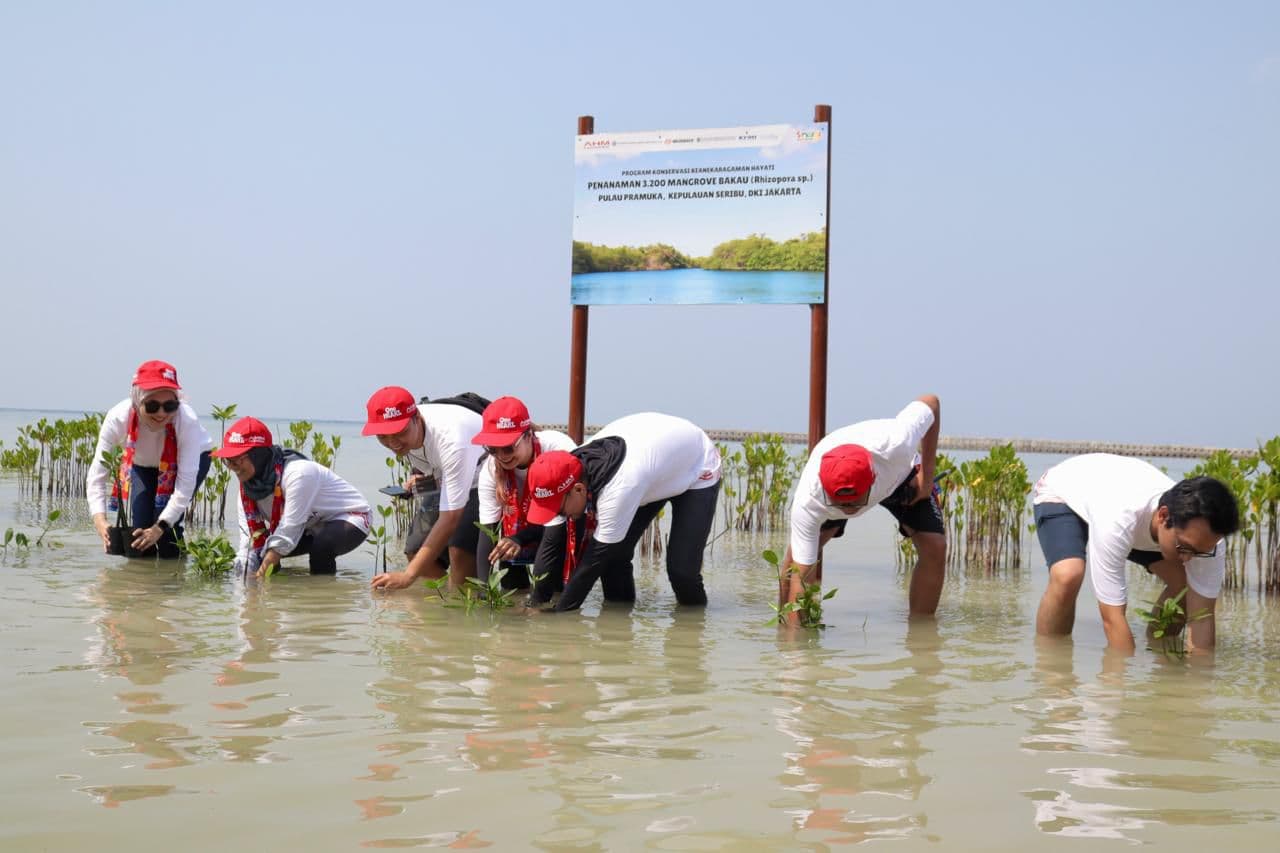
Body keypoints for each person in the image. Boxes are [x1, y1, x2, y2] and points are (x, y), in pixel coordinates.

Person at [1032, 454, 1240, 653]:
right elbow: (1112, 619)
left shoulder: (1210, 541)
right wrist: (1124, 677)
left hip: (1129, 521)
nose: (1187, 558)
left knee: (1184, 585)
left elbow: (1202, 618)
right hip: (1064, 494)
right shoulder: (1118, 519)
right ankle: (1051, 666)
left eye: (1198, 552)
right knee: (1068, 574)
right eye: (1183, 547)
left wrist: (1196, 682)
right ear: (1163, 515)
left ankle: (1160, 649)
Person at [523, 412, 721, 611]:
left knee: (682, 571)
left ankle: (693, 629)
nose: (558, 515)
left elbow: (592, 564)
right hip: (652, 468)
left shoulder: (619, 488)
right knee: (614, 557)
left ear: (579, 490)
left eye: (558, 509)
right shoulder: (573, 464)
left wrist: (558, 615)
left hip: (697, 466)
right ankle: (618, 622)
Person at [780, 394, 944, 621]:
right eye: (842, 505)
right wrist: (795, 653)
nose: (850, 510)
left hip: (899, 476)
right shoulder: (809, 500)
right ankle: (783, 624)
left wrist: (926, 480)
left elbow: (931, 403)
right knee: (797, 565)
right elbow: (802, 577)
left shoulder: (898, 442)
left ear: (873, 480)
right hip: (834, 480)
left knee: (935, 547)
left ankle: (921, 631)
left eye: (855, 503)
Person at [214, 416, 371, 578]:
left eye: (237, 461)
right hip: (308, 525)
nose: (232, 468)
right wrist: (244, 582)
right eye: (228, 461)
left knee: (320, 546)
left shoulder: (298, 473)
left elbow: (289, 528)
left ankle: (323, 596)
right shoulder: (247, 489)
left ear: (258, 455)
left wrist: (261, 577)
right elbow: (249, 540)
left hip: (350, 517)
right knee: (261, 553)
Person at [86, 360, 213, 557]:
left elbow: (185, 485)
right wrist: (100, 521)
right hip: (143, 464)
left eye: (170, 405)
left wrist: (160, 527)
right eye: (152, 406)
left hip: (190, 460)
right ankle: (143, 584)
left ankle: (173, 583)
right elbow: (97, 474)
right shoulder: (118, 418)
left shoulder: (186, 420)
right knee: (140, 530)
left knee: (166, 530)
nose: (162, 413)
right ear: (137, 402)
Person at [363, 386, 484, 591]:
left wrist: (407, 577)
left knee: (459, 550)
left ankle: (467, 605)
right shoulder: (408, 433)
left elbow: (451, 518)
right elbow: (423, 456)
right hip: (445, 476)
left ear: (417, 417)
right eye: (382, 436)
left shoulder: (452, 440)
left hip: (481, 475)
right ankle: (442, 607)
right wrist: (417, 478)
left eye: (399, 433)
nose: (393, 443)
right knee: (415, 549)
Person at [470, 396, 576, 585]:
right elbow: (488, 533)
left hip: (561, 525)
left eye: (508, 448)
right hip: (518, 529)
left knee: (551, 589)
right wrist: (484, 593)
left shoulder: (560, 450)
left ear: (528, 435)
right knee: (509, 581)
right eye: (493, 449)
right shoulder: (490, 470)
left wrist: (520, 538)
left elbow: (562, 519)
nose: (501, 457)